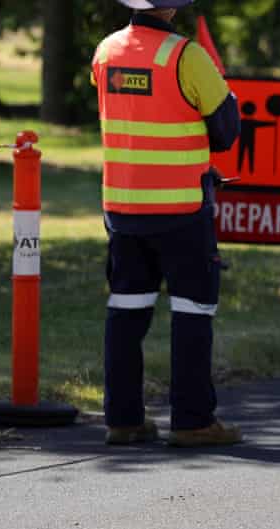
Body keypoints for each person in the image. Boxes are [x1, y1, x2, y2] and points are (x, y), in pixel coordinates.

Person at [91, 0, 242, 446]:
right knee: (192, 312)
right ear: (173, 9)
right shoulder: (185, 55)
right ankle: (193, 421)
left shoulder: (106, 52)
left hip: (122, 209)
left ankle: (123, 419)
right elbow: (227, 131)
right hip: (181, 211)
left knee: (126, 311)